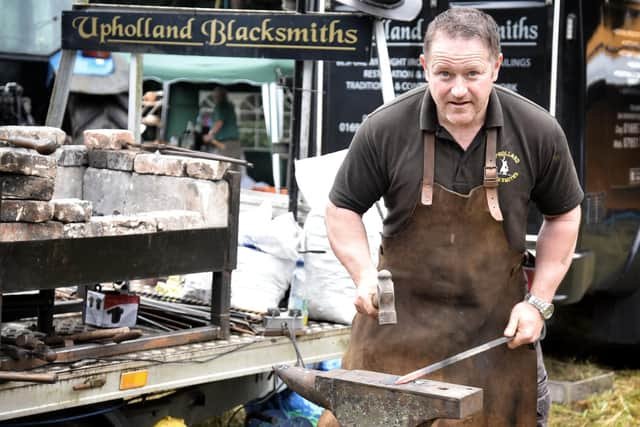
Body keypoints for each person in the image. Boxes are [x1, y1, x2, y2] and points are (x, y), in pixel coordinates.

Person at [324, 7, 582, 427]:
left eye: (472, 74)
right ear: (425, 68)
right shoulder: (384, 129)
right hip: (396, 331)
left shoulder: (537, 131)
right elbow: (342, 209)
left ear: (496, 67)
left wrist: (539, 302)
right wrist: (363, 273)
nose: (458, 90)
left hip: (495, 336)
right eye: (444, 74)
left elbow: (565, 215)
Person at [200, 86, 243, 161]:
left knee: (226, 168)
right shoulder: (230, 105)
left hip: (226, 144)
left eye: (215, 96)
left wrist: (210, 135)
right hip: (235, 143)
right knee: (234, 169)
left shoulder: (220, 106)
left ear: (218, 96)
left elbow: (219, 122)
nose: (214, 98)